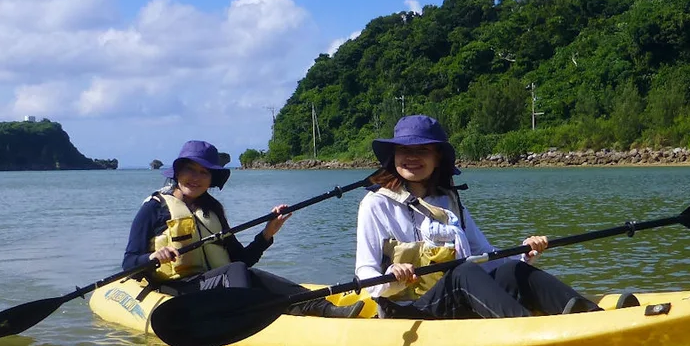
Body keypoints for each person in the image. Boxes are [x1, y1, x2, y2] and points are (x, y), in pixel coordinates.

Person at [355, 115, 602, 320]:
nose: (411, 157)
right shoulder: (376, 204)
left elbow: (484, 255)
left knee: (512, 270)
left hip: (450, 302)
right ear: (394, 156)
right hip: (405, 311)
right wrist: (393, 277)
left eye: (422, 150)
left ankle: (592, 317)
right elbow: (365, 273)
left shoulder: (448, 201)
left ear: (437, 157)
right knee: (464, 273)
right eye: (404, 150)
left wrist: (525, 252)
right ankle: (529, 330)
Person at [123, 140, 363, 318]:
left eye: (204, 172)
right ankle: (248, 316)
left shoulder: (212, 211)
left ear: (212, 178)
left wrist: (268, 233)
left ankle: (323, 308)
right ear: (177, 173)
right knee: (239, 273)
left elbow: (242, 260)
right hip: (179, 290)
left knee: (254, 276)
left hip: (218, 286)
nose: (195, 178)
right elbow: (129, 263)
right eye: (190, 170)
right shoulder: (154, 209)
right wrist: (153, 256)